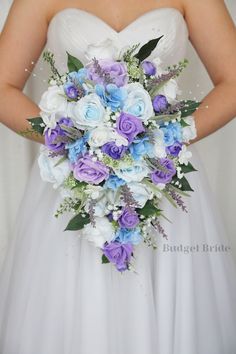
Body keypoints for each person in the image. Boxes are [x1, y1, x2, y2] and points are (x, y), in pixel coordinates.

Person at [0, 0, 236, 353]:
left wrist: (164, 139)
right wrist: (73, 139)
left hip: (163, 177)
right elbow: (2, 85)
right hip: (75, 180)